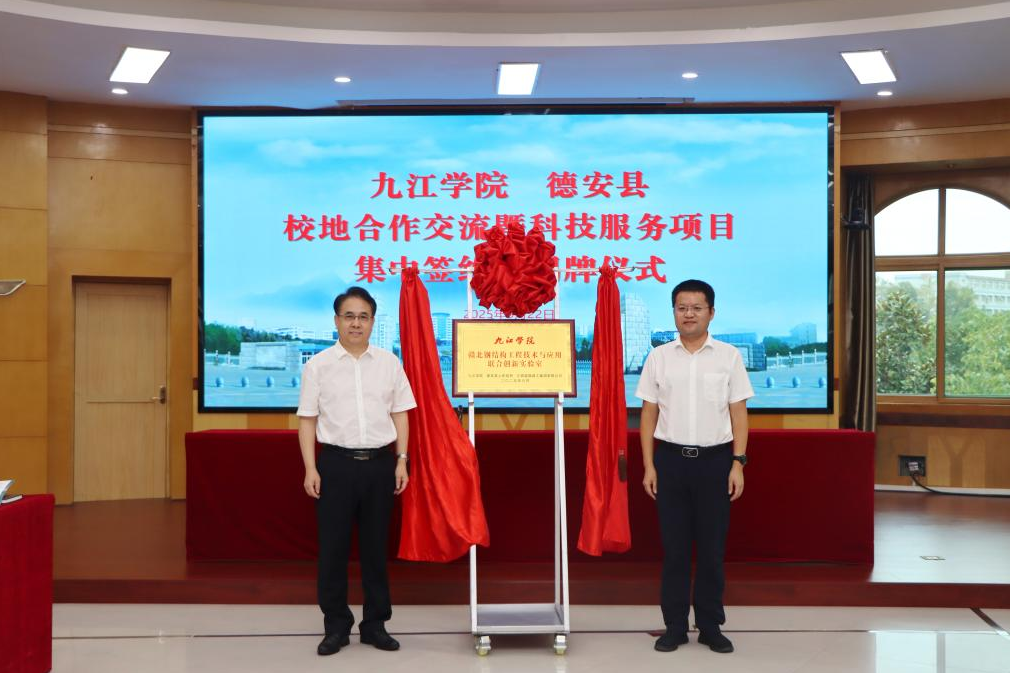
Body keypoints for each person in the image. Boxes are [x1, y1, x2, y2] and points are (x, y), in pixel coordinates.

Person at [635, 279, 754, 654]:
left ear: (711, 313)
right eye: (682, 307)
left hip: (716, 462)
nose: (689, 314)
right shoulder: (659, 357)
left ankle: (710, 625)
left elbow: (738, 413)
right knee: (674, 551)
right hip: (670, 462)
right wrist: (648, 465)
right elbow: (648, 413)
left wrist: (738, 462)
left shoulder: (729, 357)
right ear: (674, 312)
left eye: (696, 308)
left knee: (711, 550)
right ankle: (674, 626)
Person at [297, 286, 416, 656]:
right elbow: (307, 419)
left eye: (363, 316)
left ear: (372, 322)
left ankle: (375, 625)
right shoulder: (318, 366)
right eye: (349, 316)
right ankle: (336, 626)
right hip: (334, 466)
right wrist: (310, 468)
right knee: (333, 550)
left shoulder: (389, 363)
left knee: (375, 549)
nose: (356, 323)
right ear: (336, 321)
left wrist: (401, 459)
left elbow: (401, 414)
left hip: (380, 465)